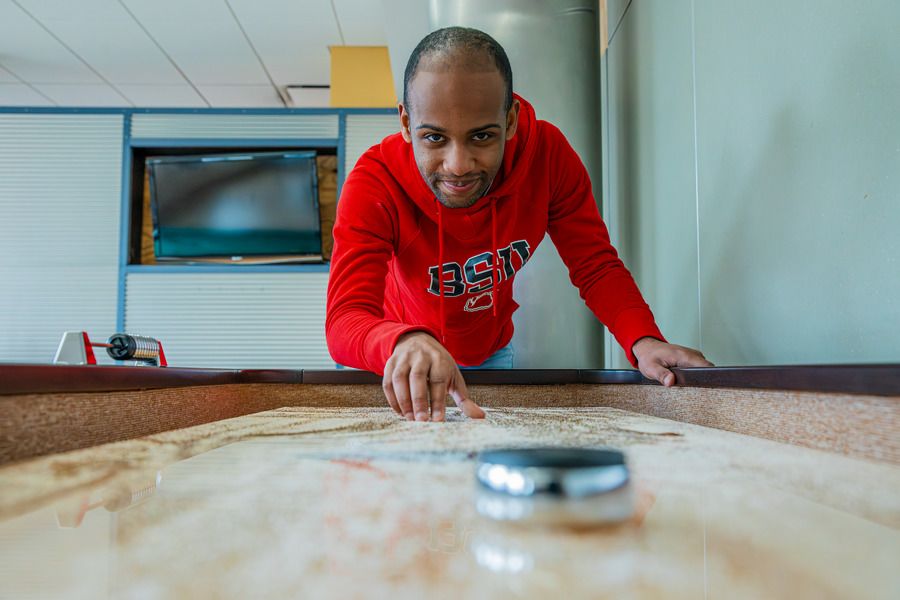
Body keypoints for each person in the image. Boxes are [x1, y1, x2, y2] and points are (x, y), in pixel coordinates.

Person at [326, 27, 712, 422]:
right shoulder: (374, 183)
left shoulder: (549, 158)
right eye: (434, 138)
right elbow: (345, 320)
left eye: (481, 136)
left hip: (491, 354)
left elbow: (594, 264)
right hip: (397, 358)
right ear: (406, 124)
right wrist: (404, 340)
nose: (458, 165)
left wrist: (642, 339)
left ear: (509, 122)